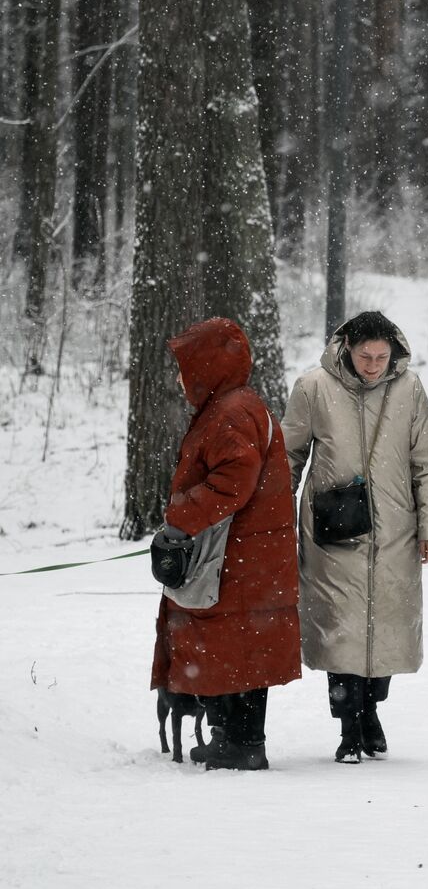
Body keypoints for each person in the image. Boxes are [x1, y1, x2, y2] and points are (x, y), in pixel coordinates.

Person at [283, 310, 428, 763]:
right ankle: (348, 726)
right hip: (331, 530)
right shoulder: (313, 388)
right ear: (346, 349)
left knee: (387, 625)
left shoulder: (409, 388)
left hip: (396, 528)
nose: (374, 365)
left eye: (381, 356)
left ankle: (371, 710)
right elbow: (289, 457)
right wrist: (277, 521)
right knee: (340, 628)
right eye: (364, 356)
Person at [150, 317, 301, 772]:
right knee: (241, 645)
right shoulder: (234, 404)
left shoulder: (231, 411)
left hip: (239, 553)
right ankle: (238, 738)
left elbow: (234, 481)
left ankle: (239, 743)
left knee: (224, 639)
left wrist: (180, 518)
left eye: (186, 366)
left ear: (208, 365)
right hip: (250, 552)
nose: (181, 378)